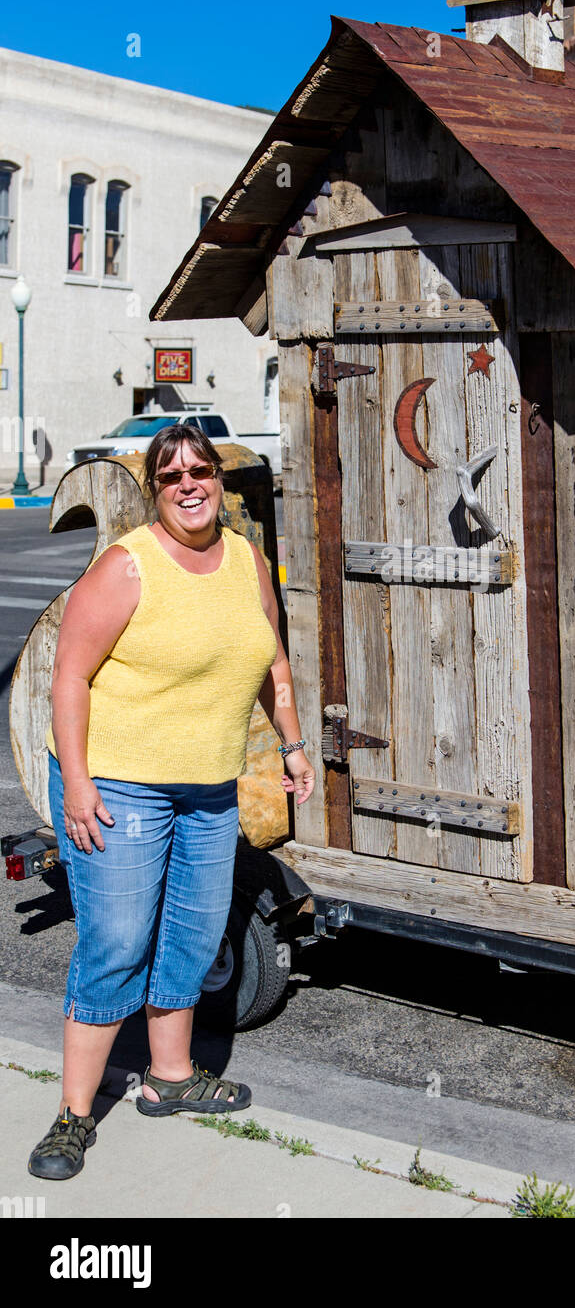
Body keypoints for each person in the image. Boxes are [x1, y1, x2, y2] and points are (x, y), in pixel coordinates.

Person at [27, 424, 315, 1180]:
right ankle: (73, 1115)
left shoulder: (247, 561)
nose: (189, 484)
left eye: (201, 470)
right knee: (117, 942)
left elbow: (272, 661)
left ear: (219, 480)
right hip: (118, 782)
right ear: (155, 491)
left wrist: (292, 743)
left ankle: (170, 1077)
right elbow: (69, 677)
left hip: (208, 787)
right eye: (171, 476)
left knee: (189, 934)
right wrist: (80, 783)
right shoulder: (130, 567)